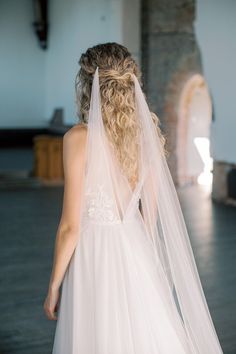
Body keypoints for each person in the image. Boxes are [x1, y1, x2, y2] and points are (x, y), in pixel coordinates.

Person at [43, 42, 223, 354]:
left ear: (87, 86)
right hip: (136, 246)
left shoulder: (78, 139)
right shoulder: (145, 135)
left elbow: (70, 227)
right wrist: (148, 261)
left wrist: (53, 285)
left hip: (94, 254)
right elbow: (150, 216)